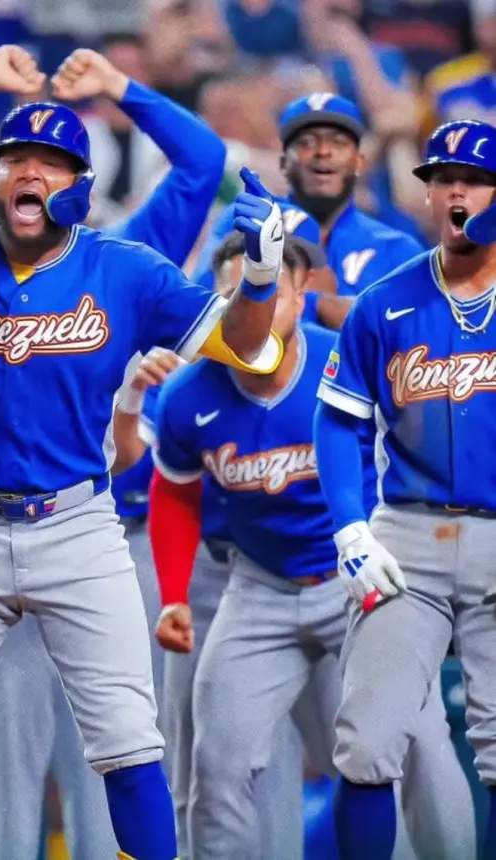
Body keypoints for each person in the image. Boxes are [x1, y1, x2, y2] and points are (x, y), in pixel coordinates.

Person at [0, 42, 285, 859]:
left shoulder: (124, 264)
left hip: (80, 527)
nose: (31, 174)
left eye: (52, 165)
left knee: (130, 745)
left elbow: (250, 352)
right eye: (16, 159)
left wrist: (260, 279)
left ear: (81, 185)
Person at [151, 226, 476, 860]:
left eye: (273, 292)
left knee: (421, 743)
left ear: (301, 300)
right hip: (258, 587)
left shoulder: (344, 363)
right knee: (215, 763)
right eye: (238, 296)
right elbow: (175, 491)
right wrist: (172, 593)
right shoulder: (188, 395)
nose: (256, 308)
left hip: (357, 578)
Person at [314, 119, 496, 860]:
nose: (456, 191)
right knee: (366, 744)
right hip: (408, 537)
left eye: (474, 178)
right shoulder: (385, 302)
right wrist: (351, 529)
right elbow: (338, 424)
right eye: (442, 178)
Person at [194, 93, 424, 318]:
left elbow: (414, 337)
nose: (323, 152)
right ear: (283, 162)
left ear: (359, 162)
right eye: (306, 143)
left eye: (338, 142)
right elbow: (198, 307)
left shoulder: (398, 249)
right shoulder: (245, 222)